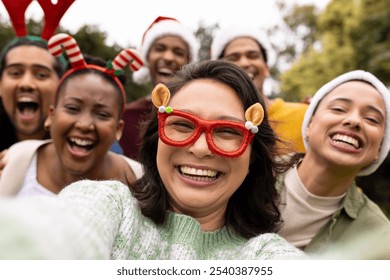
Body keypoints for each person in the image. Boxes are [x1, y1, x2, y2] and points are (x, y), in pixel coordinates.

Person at [0, 60, 304, 259]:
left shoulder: (264, 254)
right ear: (156, 139)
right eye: (182, 125)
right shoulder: (109, 202)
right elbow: (57, 235)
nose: (199, 148)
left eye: (227, 131)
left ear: (252, 155)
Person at [0, 33, 144, 196]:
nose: (84, 124)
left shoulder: (141, 183)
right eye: (73, 108)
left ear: (119, 129)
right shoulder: (16, 162)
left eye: (102, 114)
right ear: (51, 115)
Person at [276, 70, 390, 255]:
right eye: (338, 109)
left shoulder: (379, 238)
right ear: (309, 125)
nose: (354, 121)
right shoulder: (248, 175)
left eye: (371, 119)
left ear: (379, 149)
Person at [211, 26, 308, 154]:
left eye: (253, 56)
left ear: (266, 68)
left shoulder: (304, 117)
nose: (244, 63)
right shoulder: (206, 121)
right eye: (233, 58)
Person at [119, 16, 200, 159]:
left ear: (188, 62)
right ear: (147, 58)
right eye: (160, 48)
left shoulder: (202, 115)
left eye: (178, 52)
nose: (168, 57)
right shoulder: (125, 116)